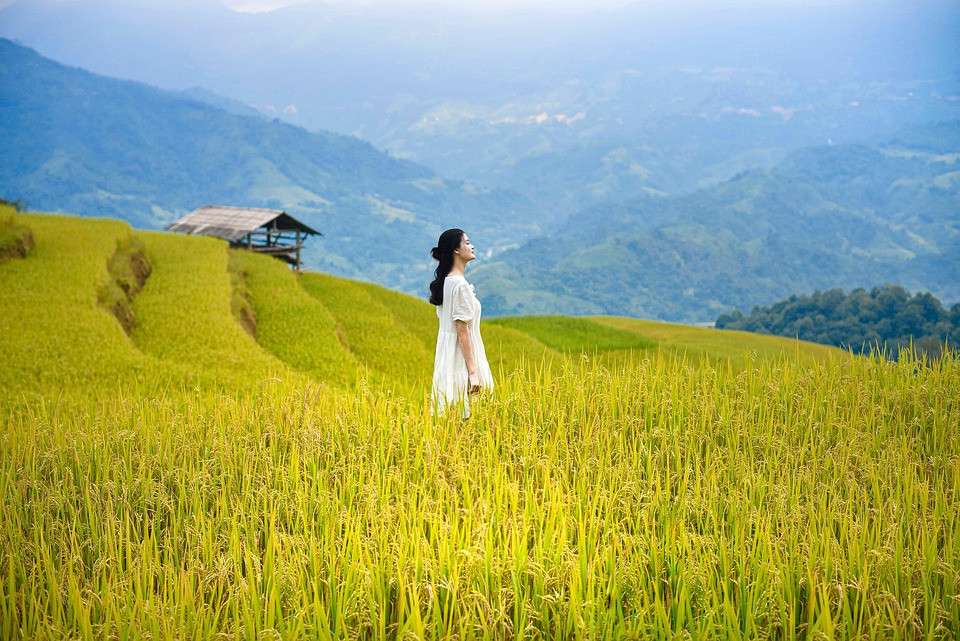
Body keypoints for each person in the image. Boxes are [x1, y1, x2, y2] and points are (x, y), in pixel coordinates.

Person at [429, 228, 494, 416]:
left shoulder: (446, 282)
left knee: (452, 416)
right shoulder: (460, 286)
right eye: (467, 242)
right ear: (456, 250)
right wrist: (473, 372)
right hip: (462, 359)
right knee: (472, 415)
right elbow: (462, 332)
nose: (472, 246)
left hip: (447, 357)